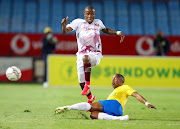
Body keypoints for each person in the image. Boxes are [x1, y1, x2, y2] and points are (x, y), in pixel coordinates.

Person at [61, 5, 125, 103]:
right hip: (81, 55)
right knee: (81, 82)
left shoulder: (98, 22)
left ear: (94, 15)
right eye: (88, 14)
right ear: (84, 15)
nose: (90, 16)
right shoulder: (78, 22)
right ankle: (90, 97)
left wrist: (117, 32)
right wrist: (63, 26)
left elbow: (105, 30)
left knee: (86, 59)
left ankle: (88, 85)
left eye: (92, 14)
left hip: (95, 54)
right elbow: (65, 32)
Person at [55, 74, 157, 121]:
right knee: (93, 115)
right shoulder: (115, 91)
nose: (113, 81)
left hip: (115, 104)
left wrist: (146, 103)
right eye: (112, 79)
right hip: (117, 110)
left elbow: (136, 94)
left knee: (91, 106)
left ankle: (69, 107)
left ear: (122, 81)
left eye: (115, 79)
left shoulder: (125, 87)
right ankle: (119, 118)